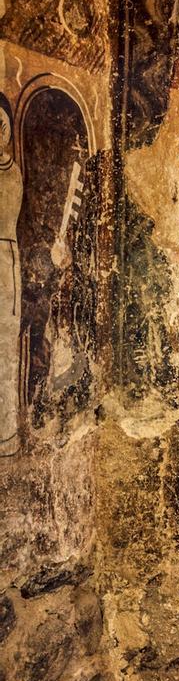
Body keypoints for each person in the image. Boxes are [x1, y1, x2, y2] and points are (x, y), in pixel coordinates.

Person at [0, 94, 20, 455]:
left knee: (6, 345)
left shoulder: (13, 170)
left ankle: (6, 435)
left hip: (7, 257)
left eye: (1, 123)